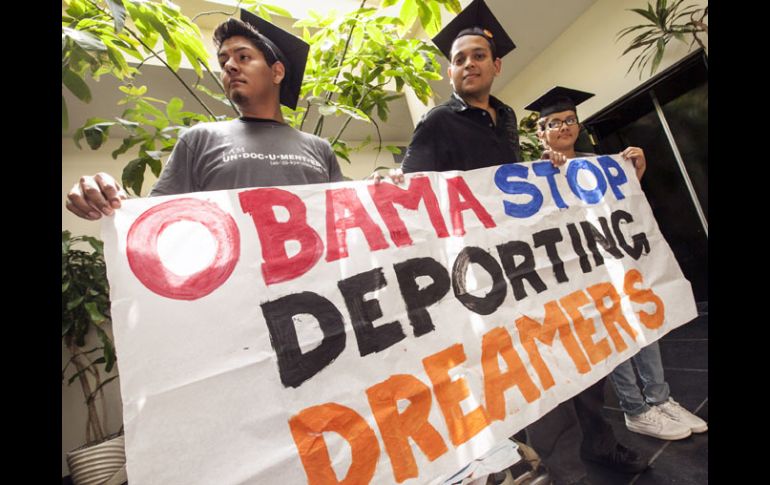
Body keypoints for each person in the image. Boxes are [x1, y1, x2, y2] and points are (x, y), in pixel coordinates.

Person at [393, 1, 648, 483]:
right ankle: (565, 470)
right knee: (533, 371)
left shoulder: (507, 117)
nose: (469, 64)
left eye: (478, 56)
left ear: (496, 65)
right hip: (483, 272)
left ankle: (598, 443)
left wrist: (548, 169)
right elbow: (416, 192)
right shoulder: (437, 122)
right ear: (450, 70)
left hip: (528, 261)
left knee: (574, 352)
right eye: (460, 58)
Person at [527, 86, 707, 442]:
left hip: (617, 257)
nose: (563, 127)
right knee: (616, 335)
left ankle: (660, 398)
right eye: (554, 123)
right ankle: (635, 409)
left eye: (569, 120)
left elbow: (621, 207)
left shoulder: (601, 164)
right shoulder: (531, 174)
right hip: (581, 270)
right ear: (540, 132)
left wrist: (633, 174)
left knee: (645, 322)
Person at [66, 10, 342, 219]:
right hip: (229, 292)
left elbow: (346, 220)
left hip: (312, 292)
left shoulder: (319, 149)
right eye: (224, 61)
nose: (230, 66)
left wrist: (384, 190)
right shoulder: (199, 139)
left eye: (243, 57)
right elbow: (157, 218)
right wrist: (103, 196)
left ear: (277, 72)